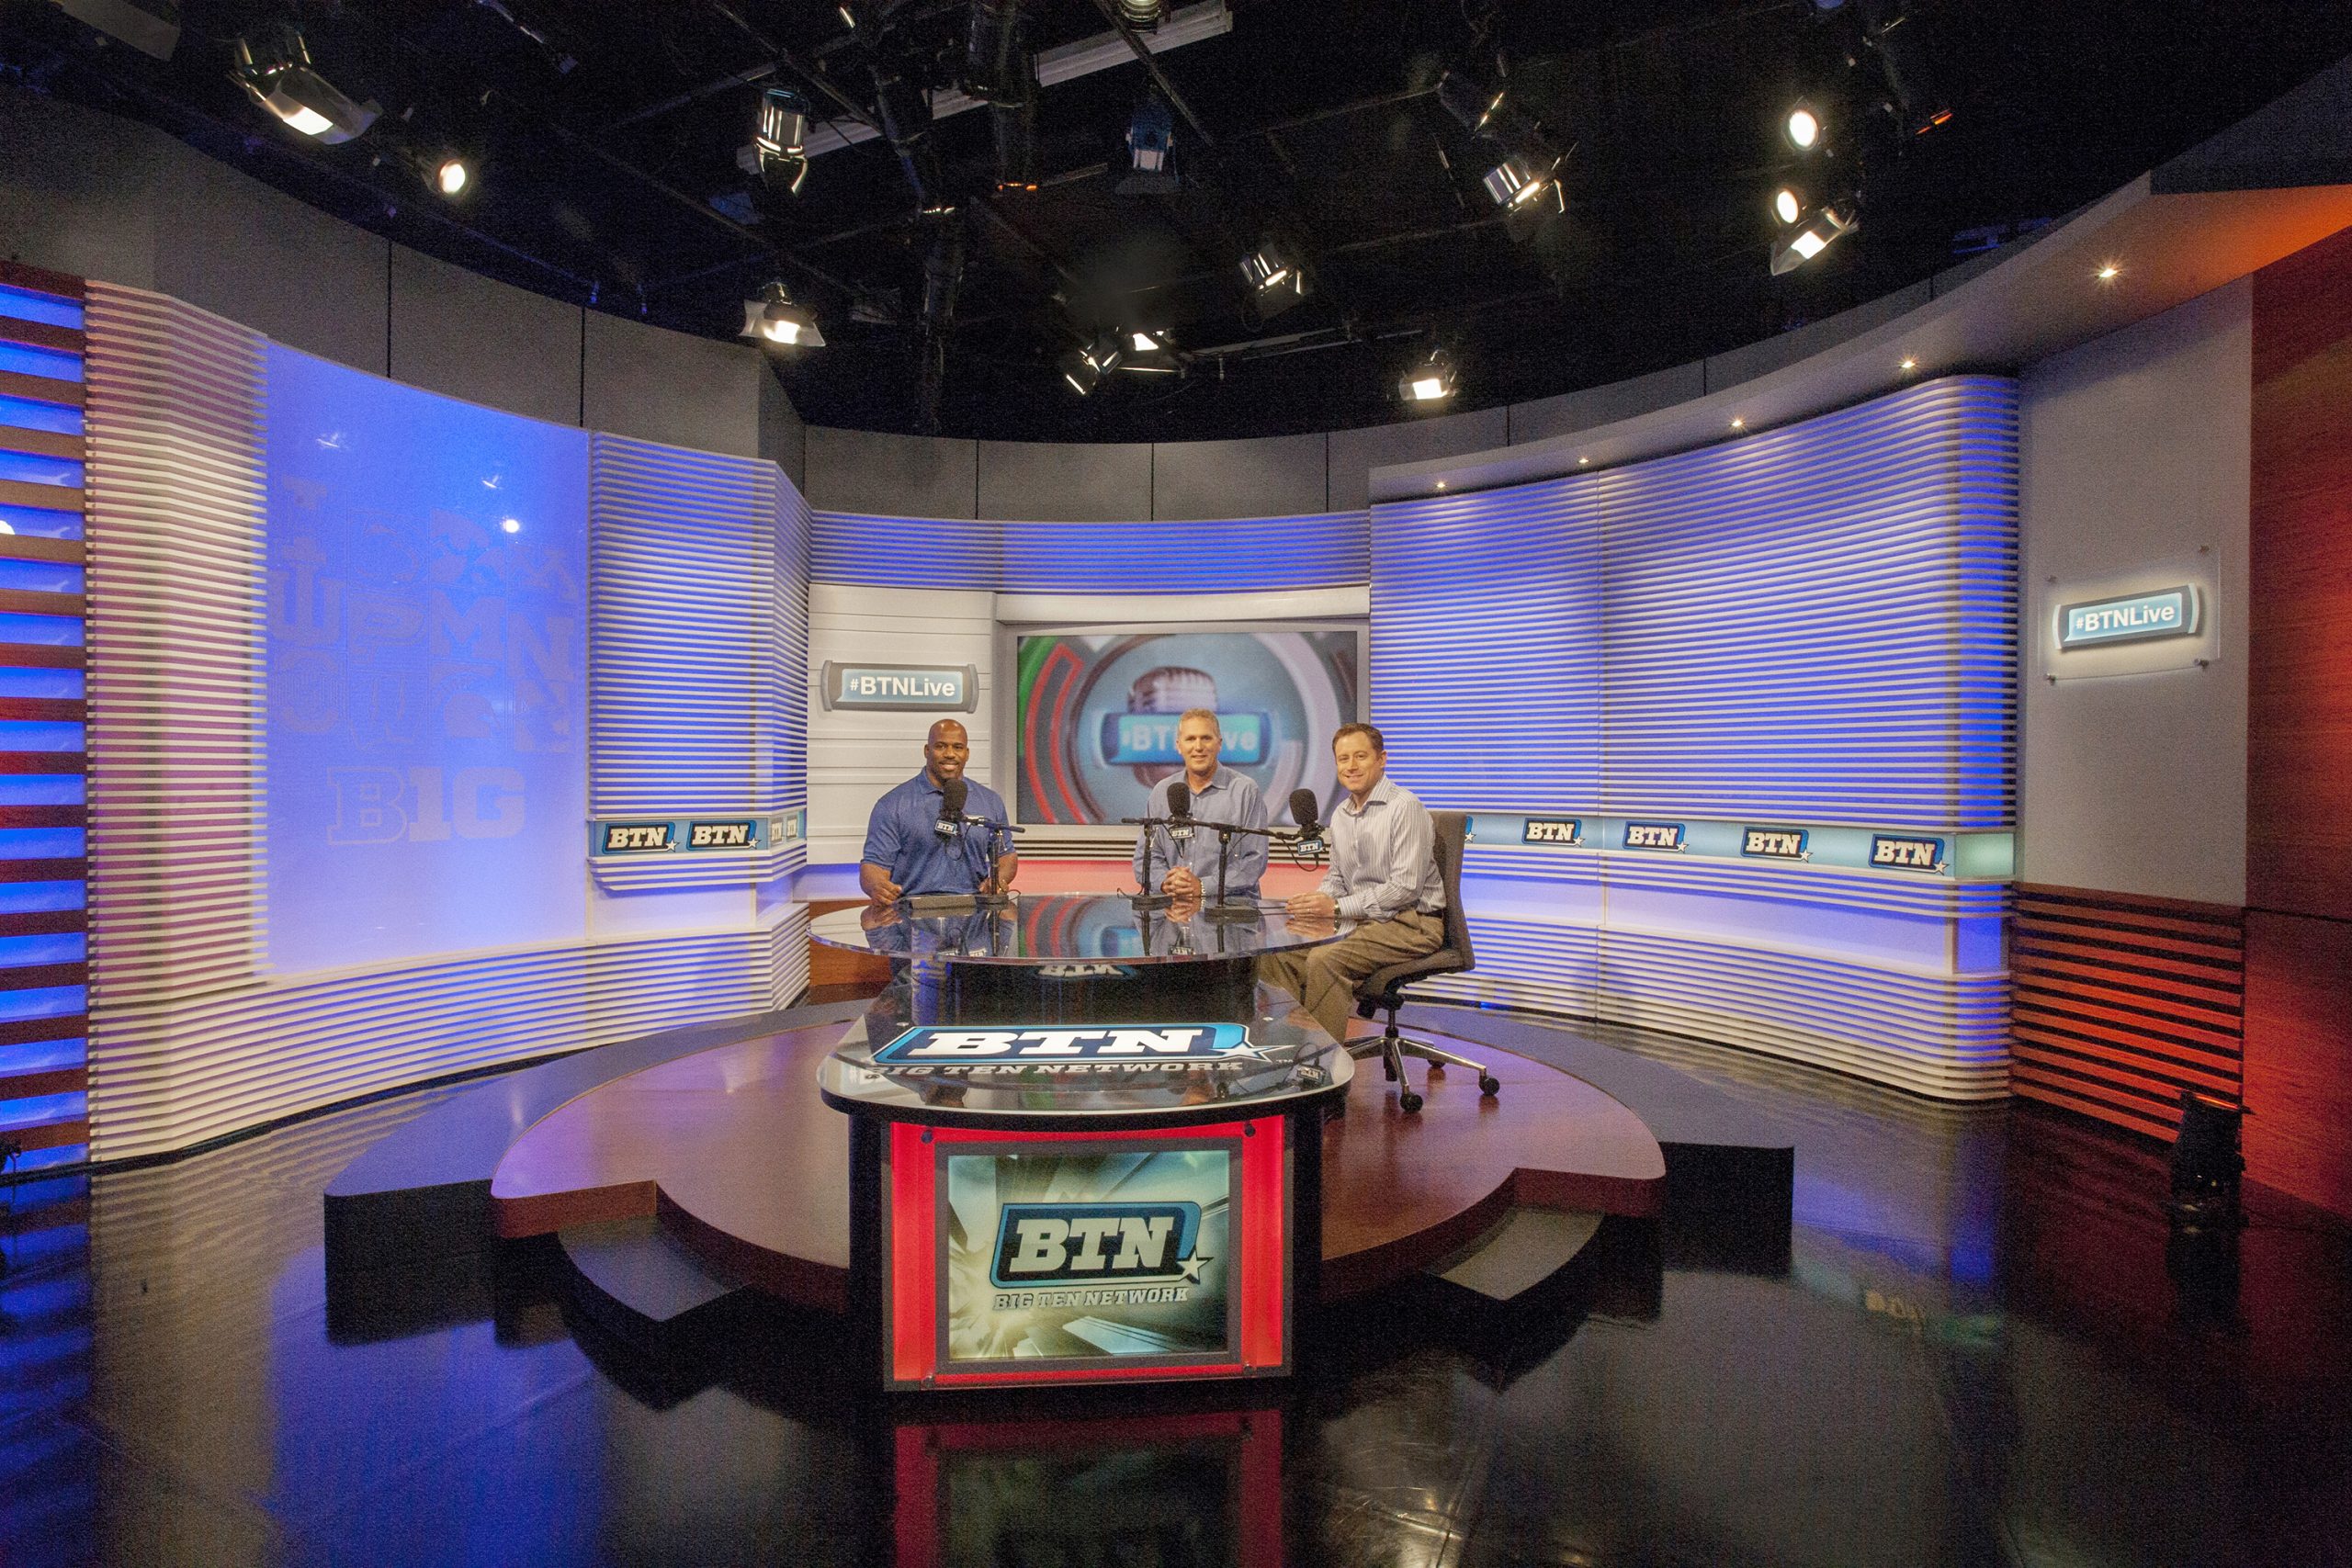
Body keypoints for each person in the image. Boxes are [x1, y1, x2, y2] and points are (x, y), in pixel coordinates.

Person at [1257, 722, 1443, 1042]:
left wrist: (1338, 907)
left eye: (1360, 756)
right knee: (1277, 953)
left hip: (1414, 923)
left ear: (1382, 759)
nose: (1351, 766)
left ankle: (1323, 1066)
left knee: (1326, 958)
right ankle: (1288, 1047)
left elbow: (1405, 888)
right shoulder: (1341, 814)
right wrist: (1318, 903)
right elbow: (1338, 876)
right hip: (1364, 921)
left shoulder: (1405, 807)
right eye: (1344, 759)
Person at [860, 719, 1018, 901]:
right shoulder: (892, 804)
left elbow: (1007, 856)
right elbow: (873, 866)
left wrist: (999, 879)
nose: (950, 754)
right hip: (910, 914)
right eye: (941, 746)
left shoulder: (990, 801)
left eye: (957, 747)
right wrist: (877, 886)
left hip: (975, 915)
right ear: (927, 751)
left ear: (967, 754)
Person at [1131, 708, 1269, 901]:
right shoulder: (1161, 792)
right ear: (1179, 746)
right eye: (1190, 739)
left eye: (1206, 738)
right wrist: (1165, 882)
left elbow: (1254, 860)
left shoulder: (1245, 791)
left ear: (1219, 744)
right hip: (1174, 911)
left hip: (1230, 910)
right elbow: (1145, 856)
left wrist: (1203, 886)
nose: (1198, 747)